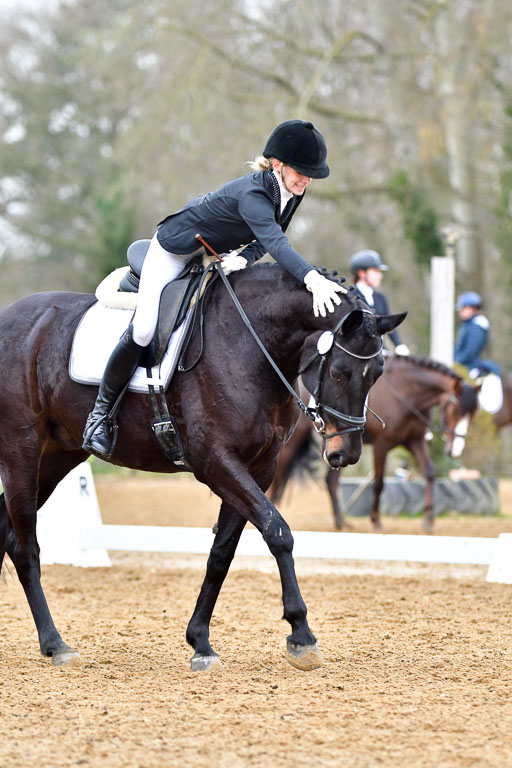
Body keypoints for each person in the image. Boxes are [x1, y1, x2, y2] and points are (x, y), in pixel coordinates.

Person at [83, 119, 346, 459]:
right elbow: (278, 244)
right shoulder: (254, 193)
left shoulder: (292, 190)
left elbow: (265, 240)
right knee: (146, 328)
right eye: (301, 171)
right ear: (277, 165)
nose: (306, 179)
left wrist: (243, 259)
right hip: (173, 250)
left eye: (311, 174)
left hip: (211, 253)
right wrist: (312, 278)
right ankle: (99, 417)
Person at [349, 249, 410, 355]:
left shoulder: (380, 298)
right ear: (362, 274)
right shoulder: (350, 296)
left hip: (380, 351)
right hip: (356, 353)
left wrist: (399, 345)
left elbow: (387, 323)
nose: (380, 276)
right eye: (376, 271)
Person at [454, 291, 500, 377]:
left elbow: (470, 351)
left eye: (464, 308)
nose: (460, 311)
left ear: (474, 309)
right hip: (463, 364)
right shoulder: (467, 324)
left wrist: (456, 362)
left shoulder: (477, 326)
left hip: (472, 367)